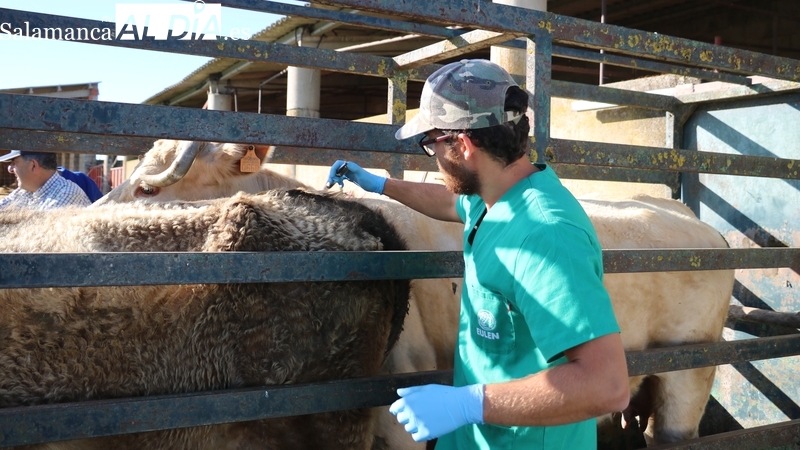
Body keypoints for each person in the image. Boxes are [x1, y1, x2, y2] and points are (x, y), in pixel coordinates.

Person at [326, 59, 629, 449]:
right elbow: (452, 202)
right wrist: (381, 184)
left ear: (463, 145)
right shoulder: (498, 195)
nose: (432, 156)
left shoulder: (545, 235)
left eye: (431, 143)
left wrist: (467, 404)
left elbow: (607, 385)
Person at [0, 150, 91, 210]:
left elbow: (36, 235)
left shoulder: (67, 193)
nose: (10, 169)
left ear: (33, 166)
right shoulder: (23, 192)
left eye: (14, 163)